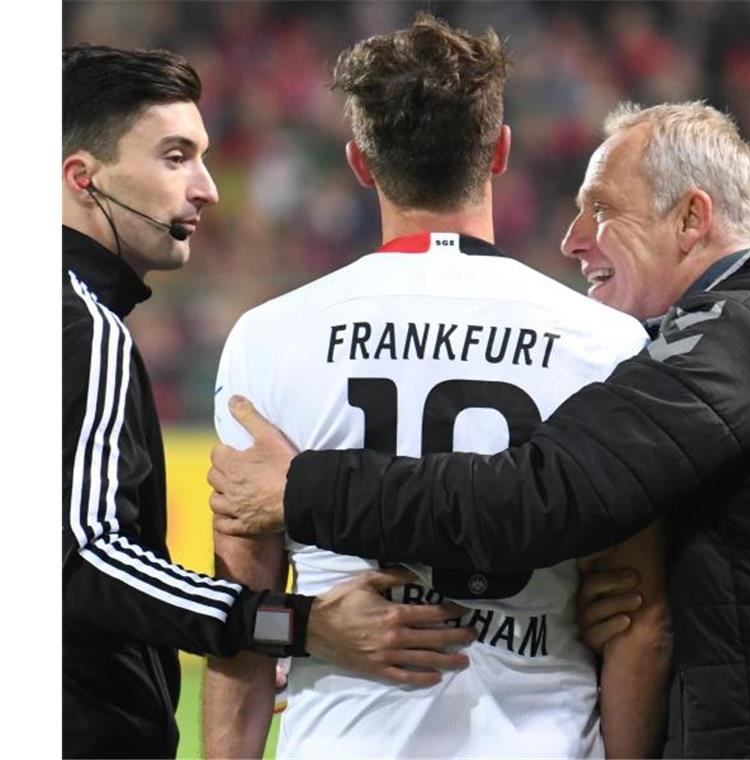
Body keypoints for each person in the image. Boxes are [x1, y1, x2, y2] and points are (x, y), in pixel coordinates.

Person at [211, 100, 750, 758]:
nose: (572, 239)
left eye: (601, 209)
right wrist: (595, 603)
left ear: (691, 219)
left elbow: (536, 499)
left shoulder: (732, 341)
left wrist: (303, 485)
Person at [203, 16, 671, 760]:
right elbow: (641, 622)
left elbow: (241, 616)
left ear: (360, 162)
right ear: (501, 152)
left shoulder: (268, 337)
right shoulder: (605, 344)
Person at [61, 44, 471, 759]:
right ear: (82, 177)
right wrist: (293, 623)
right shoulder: (78, 326)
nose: (207, 188)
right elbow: (84, 560)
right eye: (175, 156)